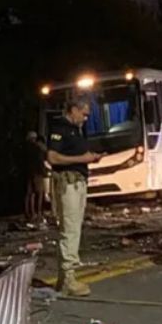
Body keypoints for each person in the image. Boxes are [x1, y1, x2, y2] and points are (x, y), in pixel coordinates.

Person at [46, 98, 101, 297]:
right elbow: (52, 157)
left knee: (74, 228)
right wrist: (82, 159)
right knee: (69, 229)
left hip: (77, 181)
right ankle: (68, 277)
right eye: (84, 114)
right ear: (73, 110)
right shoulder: (60, 128)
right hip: (67, 183)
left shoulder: (75, 130)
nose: (85, 119)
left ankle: (64, 277)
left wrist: (90, 157)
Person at [24, 131, 48, 224]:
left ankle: (30, 213)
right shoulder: (37, 149)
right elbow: (40, 161)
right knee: (40, 193)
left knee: (30, 194)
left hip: (29, 173)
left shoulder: (25, 149)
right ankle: (38, 213)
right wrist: (44, 172)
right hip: (38, 173)